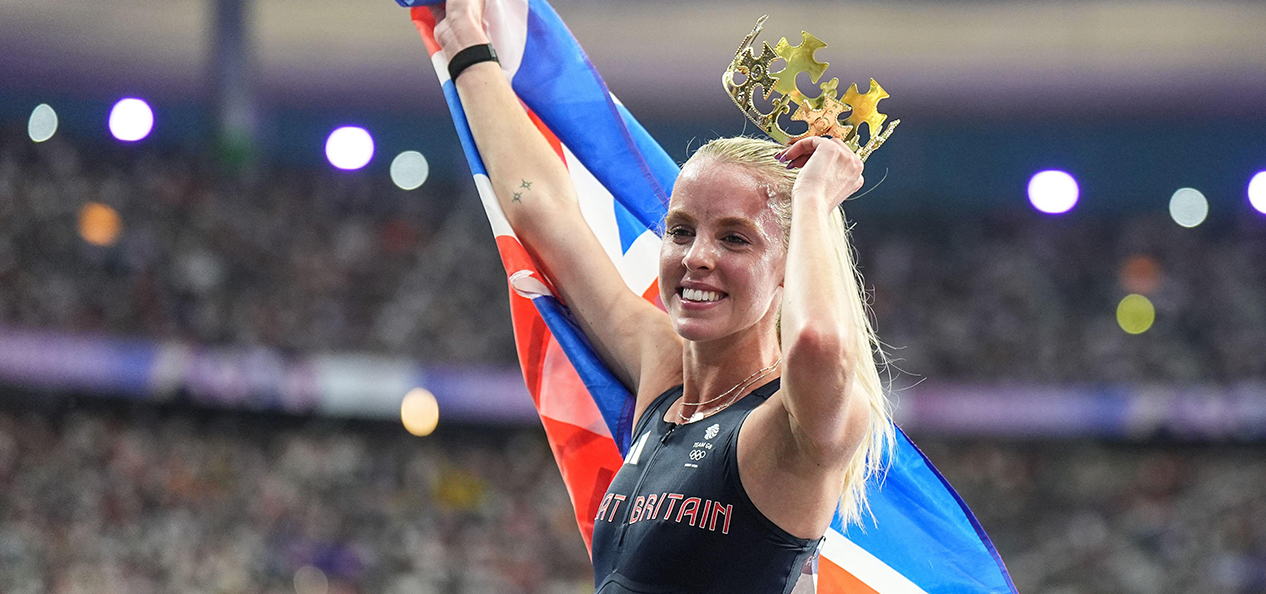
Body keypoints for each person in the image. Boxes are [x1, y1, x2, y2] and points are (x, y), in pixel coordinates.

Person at [430, 2, 894, 592]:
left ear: (789, 268)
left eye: (734, 238)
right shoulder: (663, 370)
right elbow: (542, 210)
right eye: (680, 230)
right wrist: (469, 49)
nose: (697, 256)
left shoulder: (801, 425)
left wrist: (812, 202)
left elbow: (817, 341)